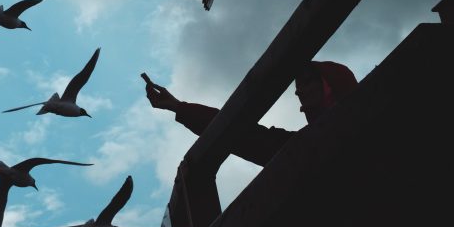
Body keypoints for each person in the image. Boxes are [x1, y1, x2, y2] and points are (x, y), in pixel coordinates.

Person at [142, 61, 358, 166]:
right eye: (297, 84)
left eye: (307, 81)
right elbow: (245, 137)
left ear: (330, 85)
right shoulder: (299, 145)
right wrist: (179, 107)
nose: (298, 91)